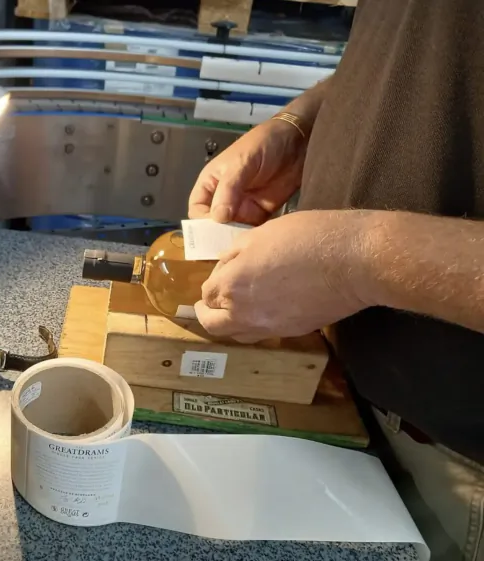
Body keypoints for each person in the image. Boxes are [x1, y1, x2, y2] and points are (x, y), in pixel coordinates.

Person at [188, 1, 484, 560]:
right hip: (349, 392)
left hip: (459, 468)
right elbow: (421, 46)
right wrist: (302, 127)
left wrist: (354, 258)